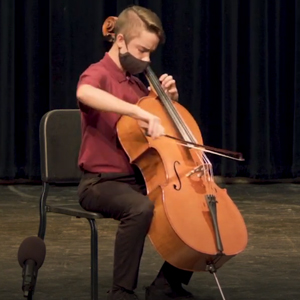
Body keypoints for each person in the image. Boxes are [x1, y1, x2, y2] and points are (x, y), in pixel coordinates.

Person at [76, 5, 194, 300]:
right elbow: (84, 93)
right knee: (140, 209)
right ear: (120, 40)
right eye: (141, 51)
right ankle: (121, 293)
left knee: (194, 206)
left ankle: (166, 284)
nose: (146, 59)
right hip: (100, 182)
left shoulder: (136, 83)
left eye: (150, 54)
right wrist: (135, 111)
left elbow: (160, 133)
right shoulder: (98, 73)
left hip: (137, 179)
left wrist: (169, 102)